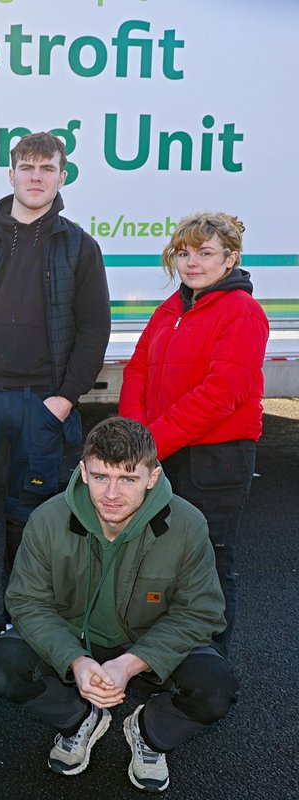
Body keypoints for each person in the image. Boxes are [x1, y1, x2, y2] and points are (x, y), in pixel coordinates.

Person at [0, 416, 237, 793]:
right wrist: (76, 659)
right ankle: (79, 720)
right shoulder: (48, 519)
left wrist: (129, 663)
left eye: (128, 479)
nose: (112, 494)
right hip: (76, 638)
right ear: (84, 472)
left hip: (149, 641)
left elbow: (201, 612)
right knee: (3, 666)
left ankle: (149, 733)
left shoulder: (187, 524)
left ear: (153, 477)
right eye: (101, 477)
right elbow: (27, 602)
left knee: (217, 689)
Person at [0, 132, 111, 654]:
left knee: (28, 522)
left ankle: (18, 619)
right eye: (27, 167)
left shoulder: (79, 246)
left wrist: (64, 398)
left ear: (62, 175)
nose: (36, 176)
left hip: (41, 404)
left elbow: (93, 330)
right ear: (10, 174)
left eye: (47, 167)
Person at [119, 212, 267, 655]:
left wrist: (150, 445)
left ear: (230, 259)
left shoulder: (243, 312)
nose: (192, 263)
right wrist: (135, 436)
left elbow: (221, 394)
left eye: (205, 253)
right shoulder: (171, 309)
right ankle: (160, 653)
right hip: (163, 453)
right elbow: (138, 369)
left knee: (208, 562)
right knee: (159, 560)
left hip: (215, 460)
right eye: (184, 253)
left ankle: (208, 664)